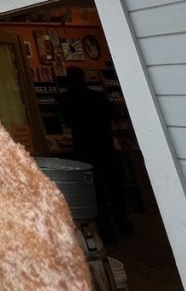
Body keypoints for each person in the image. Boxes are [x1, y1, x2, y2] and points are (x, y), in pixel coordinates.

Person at [56, 66, 131, 241]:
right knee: (114, 186)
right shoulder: (98, 96)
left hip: (85, 149)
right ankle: (122, 222)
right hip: (105, 146)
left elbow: (67, 121)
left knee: (95, 190)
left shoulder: (66, 99)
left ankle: (104, 229)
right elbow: (114, 115)